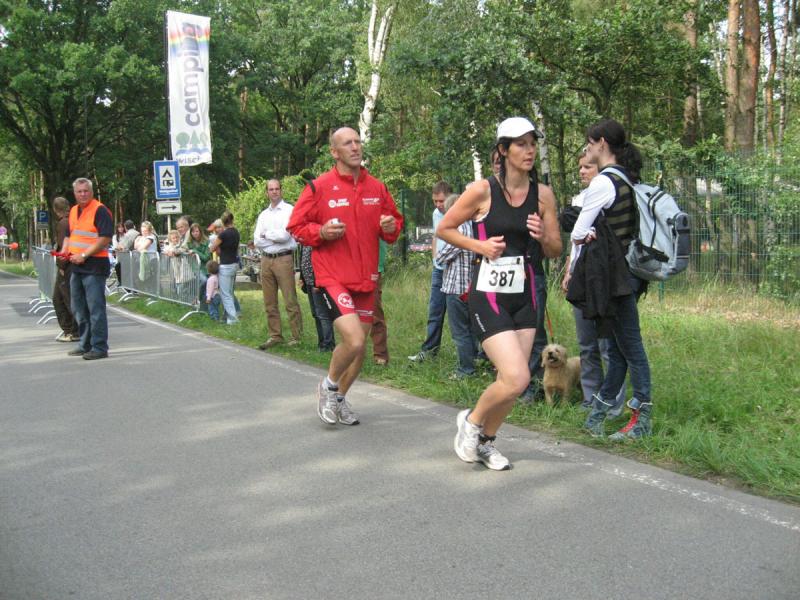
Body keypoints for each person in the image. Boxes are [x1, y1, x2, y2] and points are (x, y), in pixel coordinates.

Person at [437, 117, 562, 470]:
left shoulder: (543, 195)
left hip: (525, 293)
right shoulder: (483, 191)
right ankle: (472, 421)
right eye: (521, 144)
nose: (530, 150)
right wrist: (480, 245)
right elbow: (445, 228)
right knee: (518, 376)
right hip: (488, 292)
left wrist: (543, 236)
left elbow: (556, 249)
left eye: (532, 143)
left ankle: (486, 442)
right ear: (504, 150)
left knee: (511, 381)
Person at [287, 126, 403, 426]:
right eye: (347, 143)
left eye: (358, 141)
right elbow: (296, 227)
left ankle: (339, 398)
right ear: (334, 152)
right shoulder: (319, 187)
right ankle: (328, 386)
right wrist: (321, 232)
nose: (355, 147)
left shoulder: (377, 187)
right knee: (353, 339)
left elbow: (393, 224)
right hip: (333, 276)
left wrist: (391, 227)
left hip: (366, 278)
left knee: (359, 348)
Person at [571, 118, 653, 440]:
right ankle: (597, 417)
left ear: (602, 143)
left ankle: (641, 422)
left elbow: (577, 232)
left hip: (614, 278)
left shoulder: (604, 182)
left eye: (589, 144)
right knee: (618, 352)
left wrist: (589, 233)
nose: (587, 149)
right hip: (629, 274)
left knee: (631, 349)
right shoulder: (628, 179)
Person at [561, 147, 626, 414]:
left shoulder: (609, 194)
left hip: (603, 279)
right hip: (581, 277)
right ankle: (591, 399)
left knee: (607, 344)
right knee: (586, 344)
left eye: (587, 166)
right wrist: (569, 271)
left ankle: (612, 404)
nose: (581, 171)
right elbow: (575, 242)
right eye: (580, 167)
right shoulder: (579, 199)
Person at [65, 177, 113, 360]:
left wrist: (84, 255)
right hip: (76, 266)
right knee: (78, 308)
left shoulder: (100, 210)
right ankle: (85, 344)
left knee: (95, 308)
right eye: (79, 191)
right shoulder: (73, 211)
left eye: (86, 191)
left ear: (92, 192)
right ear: (74, 193)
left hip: (94, 266)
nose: (83, 194)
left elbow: (105, 238)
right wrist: (65, 252)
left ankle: (99, 347)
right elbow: (70, 236)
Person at [253, 179, 303, 349]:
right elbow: (257, 240)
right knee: (269, 302)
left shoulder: (289, 210)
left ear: (281, 190)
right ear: (266, 192)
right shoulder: (263, 215)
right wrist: (271, 237)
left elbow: (285, 236)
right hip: (266, 260)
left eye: (276, 189)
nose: (274, 191)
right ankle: (275, 335)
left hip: (283, 258)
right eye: (271, 189)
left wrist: (267, 235)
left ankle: (297, 337)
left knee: (290, 300)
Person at [408, 181, 451, 362]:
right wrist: (435, 258)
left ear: (450, 197)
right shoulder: (436, 213)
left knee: (461, 316)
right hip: (439, 269)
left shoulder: (460, 212)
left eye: (442, 201)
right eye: (435, 201)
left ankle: (472, 357)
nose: (438, 205)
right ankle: (429, 352)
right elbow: (436, 236)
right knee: (435, 312)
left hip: (455, 271)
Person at [436, 193, 478, 379]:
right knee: (472, 330)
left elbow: (441, 257)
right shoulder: (475, 227)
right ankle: (474, 362)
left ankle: (466, 370)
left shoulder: (459, 230)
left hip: (456, 287)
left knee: (460, 332)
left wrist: (439, 252)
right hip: (473, 287)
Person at [51, 196, 79, 342]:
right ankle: (74, 330)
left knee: (62, 299)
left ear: (55, 209)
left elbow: (64, 246)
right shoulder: (74, 219)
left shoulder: (63, 223)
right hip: (75, 264)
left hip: (67, 266)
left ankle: (72, 331)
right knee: (68, 298)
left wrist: (62, 266)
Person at [299, 244, 335, 352]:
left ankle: (328, 344)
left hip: (318, 283)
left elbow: (321, 262)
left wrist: (317, 282)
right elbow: (303, 260)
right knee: (316, 314)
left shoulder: (317, 241)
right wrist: (302, 278)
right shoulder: (305, 242)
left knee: (323, 314)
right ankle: (321, 343)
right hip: (309, 282)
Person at [209, 210, 240, 324]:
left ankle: (232, 319)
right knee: (230, 292)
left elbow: (212, 248)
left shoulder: (223, 234)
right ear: (232, 220)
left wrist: (215, 244)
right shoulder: (236, 232)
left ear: (223, 222)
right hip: (234, 264)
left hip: (225, 265)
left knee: (225, 294)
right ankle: (231, 315)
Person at [369, 240, 389, 365]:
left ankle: (380, 353)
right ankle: (352, 351)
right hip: (351, 266)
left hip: (373, 266)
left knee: (375, 310)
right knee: (349, 313)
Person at [186, 222, 212, 306]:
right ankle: (196, 298)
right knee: (204, 280)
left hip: (206, 267)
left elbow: (206, 257)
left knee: (208, 285)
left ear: (200, 231)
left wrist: (195, 251)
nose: (195, 233)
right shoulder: (189, 243)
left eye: (197, 231)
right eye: (193, 232)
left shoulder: (207, 241)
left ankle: (202, 304)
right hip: (195, 267)